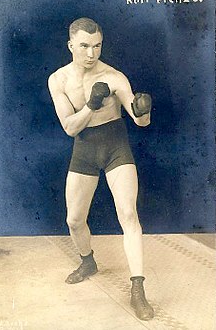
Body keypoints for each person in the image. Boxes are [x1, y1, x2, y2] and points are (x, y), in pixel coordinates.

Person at [48, 17, 154, 321]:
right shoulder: (58, 80)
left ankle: (138, 288)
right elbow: (69, 127)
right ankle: (88, 261)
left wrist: (142, 111)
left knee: (129, 215)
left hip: (116, 146)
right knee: (74, 219)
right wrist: (92, 105)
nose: (91, 53)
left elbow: (138, 121)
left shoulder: (114, 77)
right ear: (71, 45)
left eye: (96, 46)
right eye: (84, 46)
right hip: (84, 149)